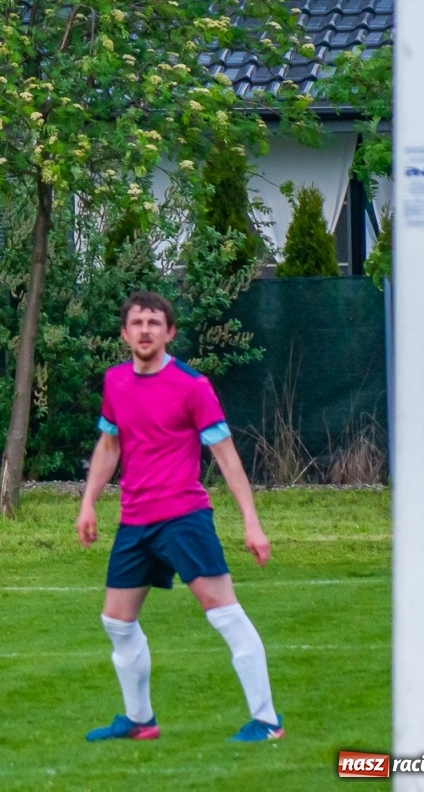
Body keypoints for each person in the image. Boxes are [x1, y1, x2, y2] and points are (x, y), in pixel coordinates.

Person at [77, 291, 284, 743]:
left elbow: (227, 458)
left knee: (224, 613)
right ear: (124, 333)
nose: (145, 330)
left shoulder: (193, 386)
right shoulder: (115, 382)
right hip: (135, 521)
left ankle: (267, 721)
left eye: (155, 322)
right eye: (137, 323)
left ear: (170, 332)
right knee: (116, 621)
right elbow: (109, 445)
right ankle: (140, 721)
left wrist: (252, 522)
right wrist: (88, 501)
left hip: (184, 518)